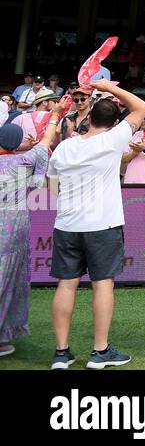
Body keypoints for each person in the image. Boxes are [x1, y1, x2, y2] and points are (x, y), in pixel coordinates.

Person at [47, 79, 145, 369]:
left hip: (67, 225)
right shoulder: (114, 139)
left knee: (66, 286)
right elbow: (140, 107)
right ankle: (100, 352)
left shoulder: (65, 148)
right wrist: (109, 87)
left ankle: (61, 352)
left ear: (88, 117)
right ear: (115, 121)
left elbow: (52, 189)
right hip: (102, 226)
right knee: (102, 285)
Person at [0, 112, 57, 358]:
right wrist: (55, 115)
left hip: (13, 226)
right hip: (14, 226)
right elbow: (46, 142)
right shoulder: (25, 161)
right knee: (8, 280)